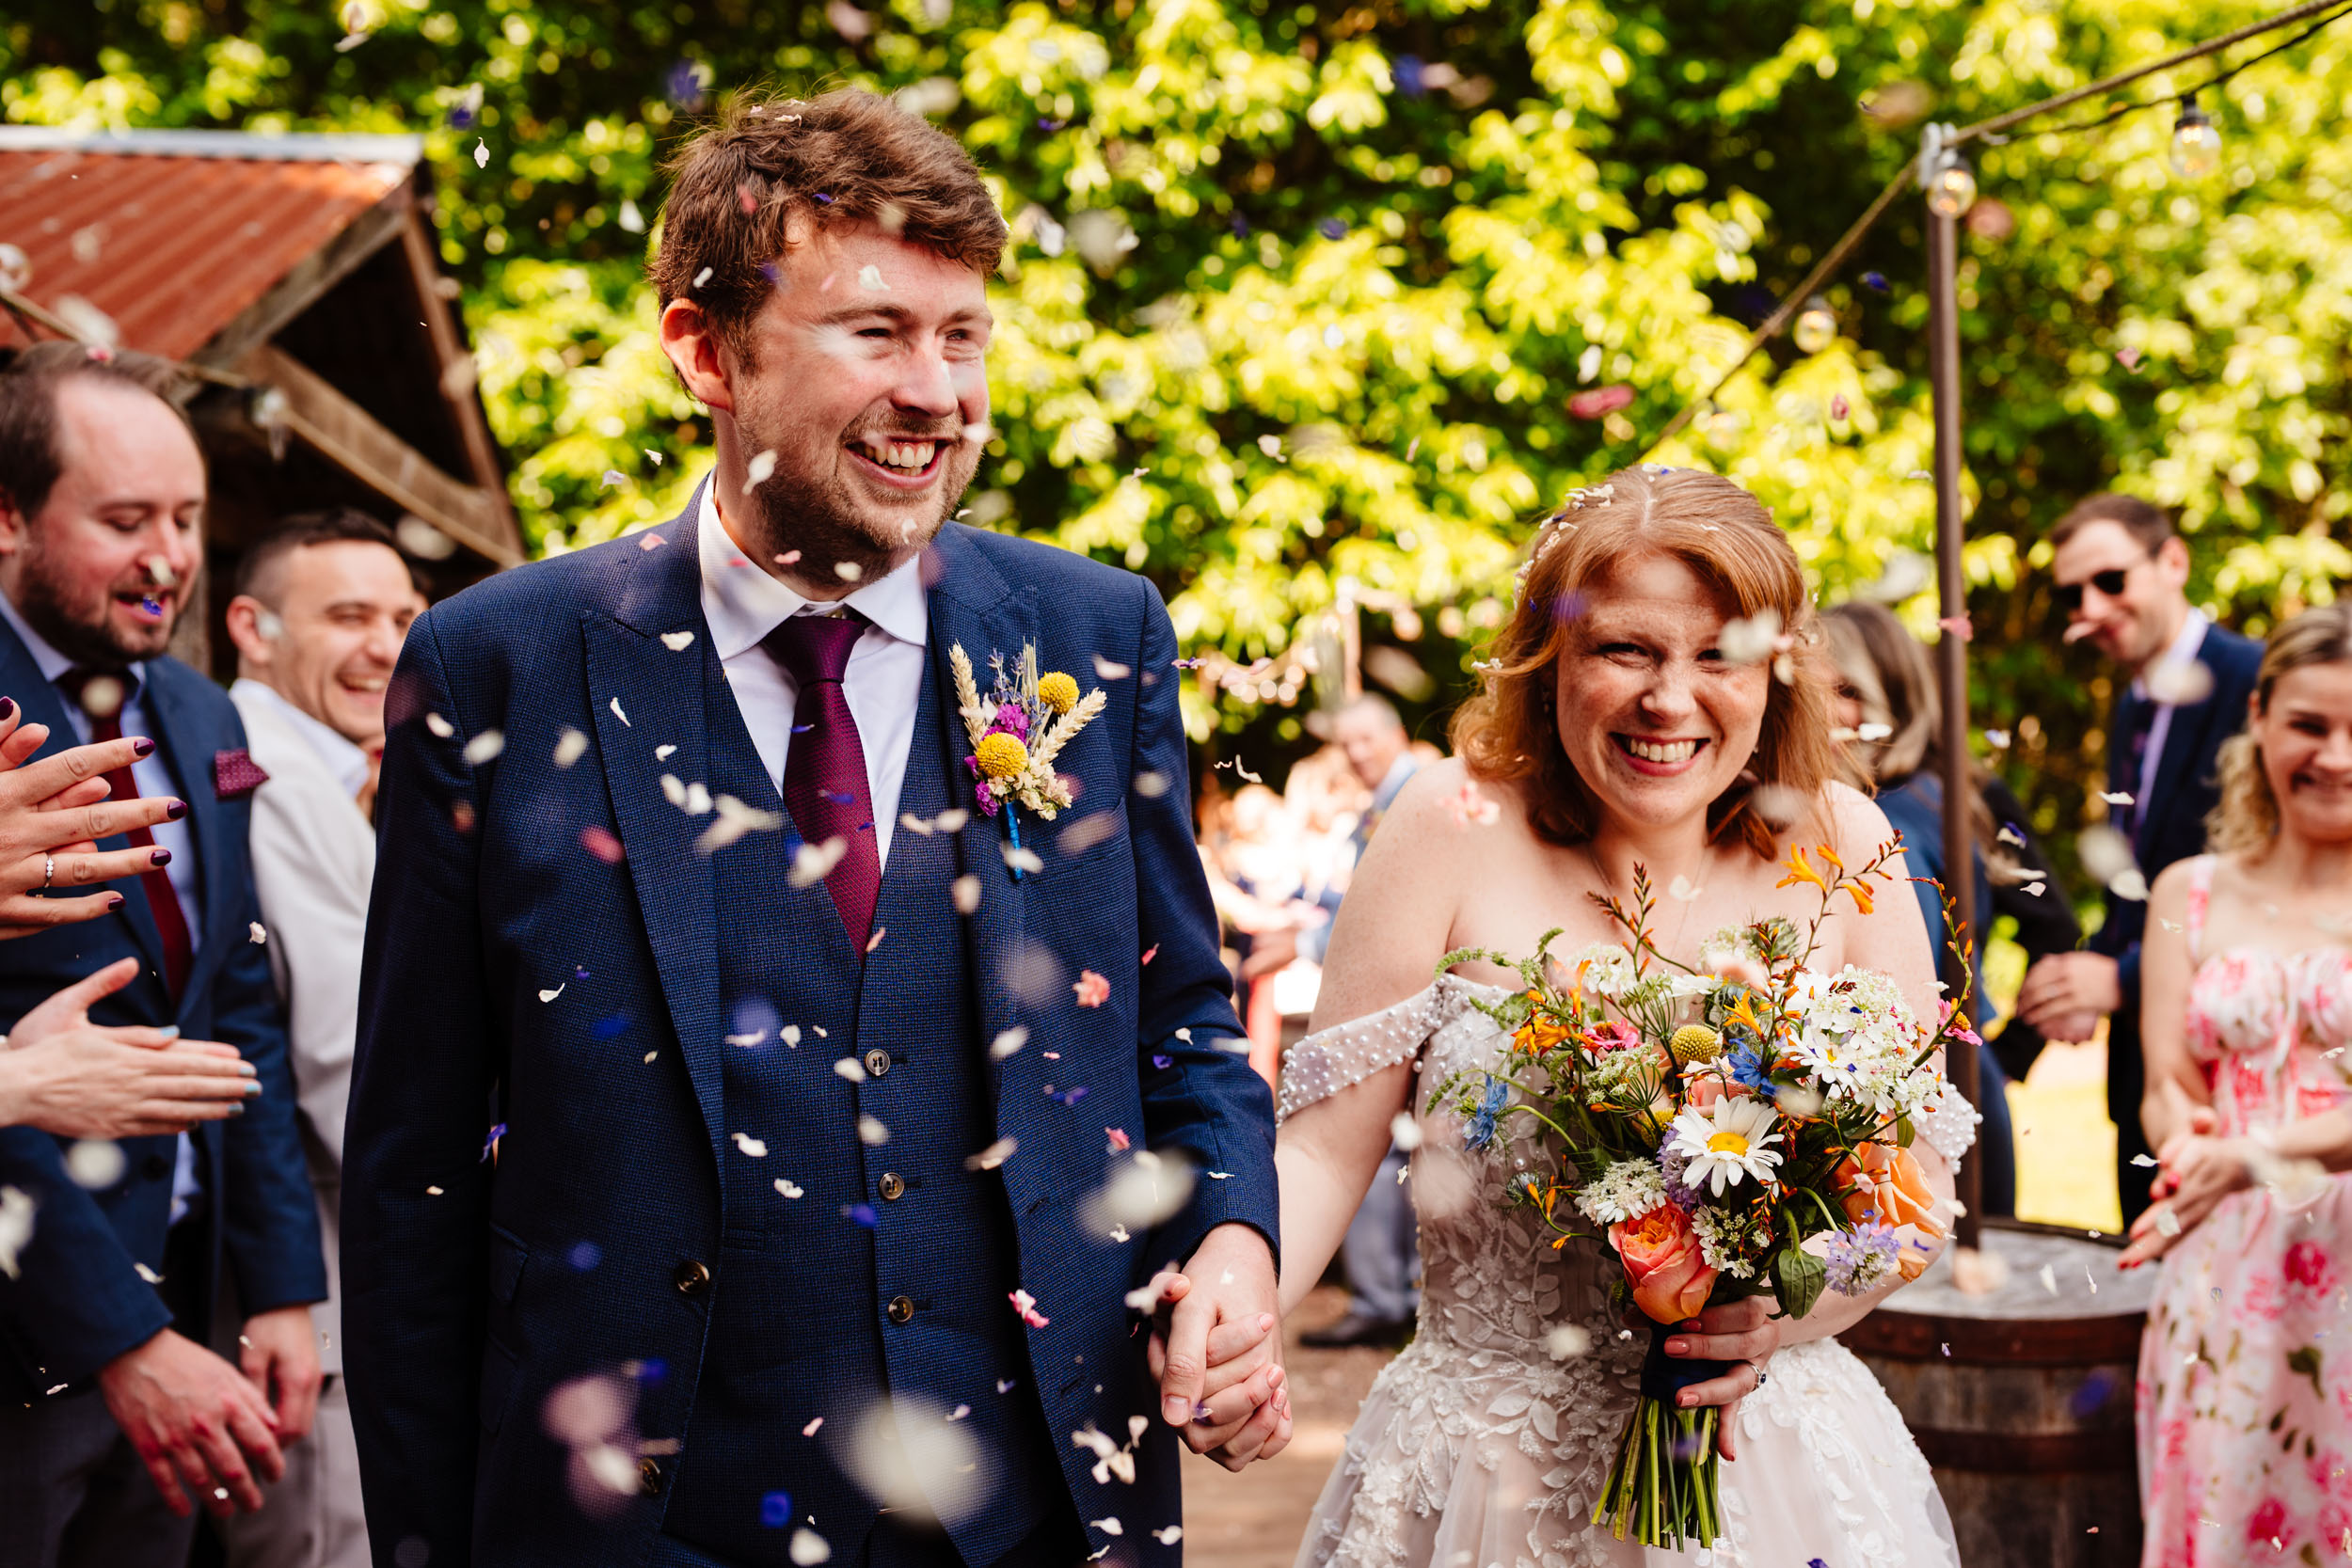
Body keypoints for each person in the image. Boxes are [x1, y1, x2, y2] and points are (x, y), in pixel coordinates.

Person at [342, 88, 1284, 1568]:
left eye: (963, 336)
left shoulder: (1099, 638)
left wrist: (1234, 1238)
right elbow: (415, 1173)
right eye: (876, 332)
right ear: (704, 349)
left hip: (1032, 1501)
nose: (940, 392)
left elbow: (1180, 1029)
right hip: (635, 1514)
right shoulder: (494, 665)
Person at [1270, 466, 1969, 1568]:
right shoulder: (1445, 824)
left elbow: (1914, 1193)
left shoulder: (1846, 837)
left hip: (1764, 1466)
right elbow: (1317, 1152)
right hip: (1482, 1478)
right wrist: (1228, 1323)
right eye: (1625, 650)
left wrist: (1774, 1318)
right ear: (1551, 659)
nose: (1669, 699)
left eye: (1718, 655)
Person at [0, 341, 326, 1567]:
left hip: (193, 1296)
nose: (169, 558)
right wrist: (121, 1338)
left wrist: (283, 1284)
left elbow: (234, 1004)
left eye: (185, 518)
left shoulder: (198, 710)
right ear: (10, 517)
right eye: (125, 519)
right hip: (30, 1327)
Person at [2104, 604, 2352, 1563]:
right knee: (2221, 1511)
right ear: (2258, 714)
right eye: (2308, 724)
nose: (2333, 755)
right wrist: (2189, 1144)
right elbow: (2165, 1077)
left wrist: (2255, 1151)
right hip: (2227, 1265)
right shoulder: (2186, 891)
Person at [212, 510, 420, 1568]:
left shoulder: (336, 776)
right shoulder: (262, 778)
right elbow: (347, 1063)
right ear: (251, 627)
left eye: (401, 615)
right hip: (316, 1295)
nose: (386, 644)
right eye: (346, 616)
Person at [2016, 495, 2264, 1225]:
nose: (2088, 607)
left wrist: (2121, 979)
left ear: (2174, 562)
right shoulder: (2131, 704)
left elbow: (2265, 885)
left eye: (2110, 581)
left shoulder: (2254, 682)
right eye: (2070, 594)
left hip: (2235, 1089)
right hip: (2142, 1083)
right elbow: (2142, 886)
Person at [1821, 599, 2081, 1216]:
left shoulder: (1889, 819)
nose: (1824, 710)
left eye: (1847, 689)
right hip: (1960, 1081)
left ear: (1895, 697)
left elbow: (2056, 925)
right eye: (1808, 689)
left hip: (1922, 1103)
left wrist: (2006, 1052)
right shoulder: (1954, 789)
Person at [1249, 695, 1425, 1348]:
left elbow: (1388, 919)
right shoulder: (1378, 803)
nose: (1355, 754)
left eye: (1365, 740)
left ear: (1395, 732)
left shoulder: (1409, 800)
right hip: (1391, 999)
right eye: (1345, 744)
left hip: (1401, 1003)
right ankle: (1394, 1291)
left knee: (1376, 1148)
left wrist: (1302, 945)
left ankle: (1385, 1296)